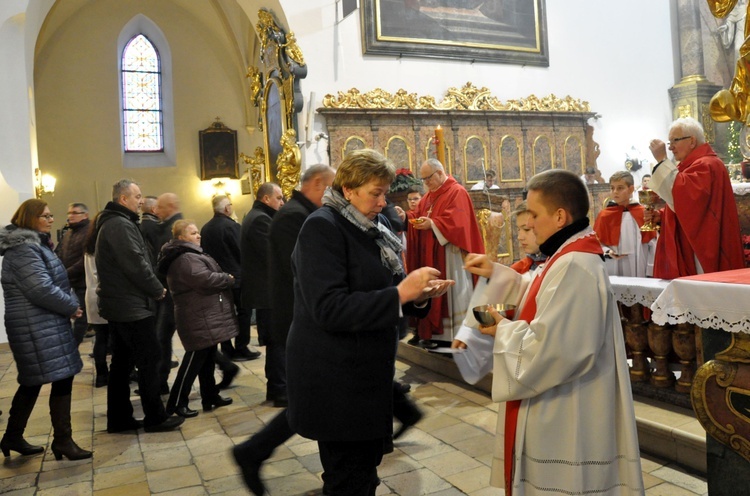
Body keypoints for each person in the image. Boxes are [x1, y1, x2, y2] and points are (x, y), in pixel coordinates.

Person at [458, 169, 643, 495]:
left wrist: (502, 331)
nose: (530, 222)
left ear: (559, 216)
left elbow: (555, 349)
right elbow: (541, 297)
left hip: (567, 408)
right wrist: (499, 279)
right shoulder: (568, 256)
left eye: (534, 214)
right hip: (562, 398)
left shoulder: (575, 265)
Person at [284, 149, 452, 495]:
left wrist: (418, 296)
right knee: (348, 480)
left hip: (364, 376)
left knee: (364, 473)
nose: (382, 202)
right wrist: (400, 294)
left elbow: (383, 286)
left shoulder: (370, 225)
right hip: (336, 380)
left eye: (384, 193)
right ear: (348, 189)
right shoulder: (322, 228)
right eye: (375, 193)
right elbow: (328, 308)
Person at [231, 165, 335, 494]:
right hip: (301, 319)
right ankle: (253, 451)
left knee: (319, 400)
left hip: (309, 318)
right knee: (314, 400)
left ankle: (256, 452)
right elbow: (305, 270)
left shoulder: (301, 212)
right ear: (318, 184)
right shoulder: (293, 216)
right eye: (332, 187)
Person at [0, 199, 92, 460]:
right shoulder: (24, 250)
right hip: (36, 325)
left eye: (52, 215)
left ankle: (13, 436)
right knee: (56, 379)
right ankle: (62, 441)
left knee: (35, 380)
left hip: (42, 323)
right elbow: (40, 288)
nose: (52, 220)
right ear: (30, 219)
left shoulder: (34, 246)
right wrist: (71, 306)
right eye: (46, 216)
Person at [96, 179, 184, 433]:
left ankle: (120, 418)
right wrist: (157, 291)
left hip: (123, 304)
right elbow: (135, 263)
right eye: (137, 196)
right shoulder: (119, 225)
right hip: (131, 305)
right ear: (123, 199)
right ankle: (155, 417)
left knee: (123, 363)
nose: (141, 200)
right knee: (150, 359)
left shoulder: (116, 223)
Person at [648, 117, 744, 278]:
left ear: (692, 141)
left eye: (674, 141)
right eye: (669, 142)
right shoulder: (692, 165)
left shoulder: (707, 164)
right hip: (693, 239)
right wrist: (661, 216)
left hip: (705, 243)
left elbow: (689, 200)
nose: (670, 147)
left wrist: (661, 161)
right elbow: (687, 206)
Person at [158, 220, 236, 418]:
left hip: (202, 314)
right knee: (193, 361)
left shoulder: (188, 254)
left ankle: (210, 396)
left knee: (208, 358)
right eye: (193, 233)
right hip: (197, 316)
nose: (198, 236)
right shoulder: (185, 258)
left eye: (197, 232)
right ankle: (176, 403)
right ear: (182, 237)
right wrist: (227, 278)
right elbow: (205, 280)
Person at [406, 158, 484, 347]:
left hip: (451, 254)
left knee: (453, 293)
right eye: (423, 179)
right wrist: (405, 216)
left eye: (428, 178)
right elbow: (417, 214)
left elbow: (458, 223)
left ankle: (456, 334)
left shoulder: (457, 192)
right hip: (432, 253)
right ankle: (435, 334)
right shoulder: (429, 196)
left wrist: (432, 223)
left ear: (440, 173)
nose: (426, 183)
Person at [201, 195, 261, 362]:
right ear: (227, 208)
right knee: (243, 312)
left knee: (224, 315)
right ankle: (241, 347)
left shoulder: (206, 228)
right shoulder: (231, 226)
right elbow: (241, 251)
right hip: (237, 277)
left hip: (216, 278)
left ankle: (227, 349)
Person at [594, 171, 657, 278]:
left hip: (640, 266)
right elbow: (597, 242)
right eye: (612, 188)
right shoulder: (604, 215)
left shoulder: (643, 213)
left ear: (631, 189)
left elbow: (652, 242)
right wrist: (608, 252)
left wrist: (651, 269)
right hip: (614, 267)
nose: (615, 192)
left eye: (620, 188)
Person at [54, 202, 90, 344]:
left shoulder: (89, 231)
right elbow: (59, 253)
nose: (71, 216)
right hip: (68, 281)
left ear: (85, 215)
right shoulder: (69, 233)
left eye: (75, 213)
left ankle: (73, 346)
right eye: (69, 213)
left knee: (82, 317)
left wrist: (65, 273)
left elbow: (85, 259)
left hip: (83, 281)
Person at [83, 212, 110, 388]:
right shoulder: (104, 244)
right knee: (113, 338)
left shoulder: (88, 246)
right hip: (104, 293)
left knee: (100, 338)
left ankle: (101, 375)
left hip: (91, 295)